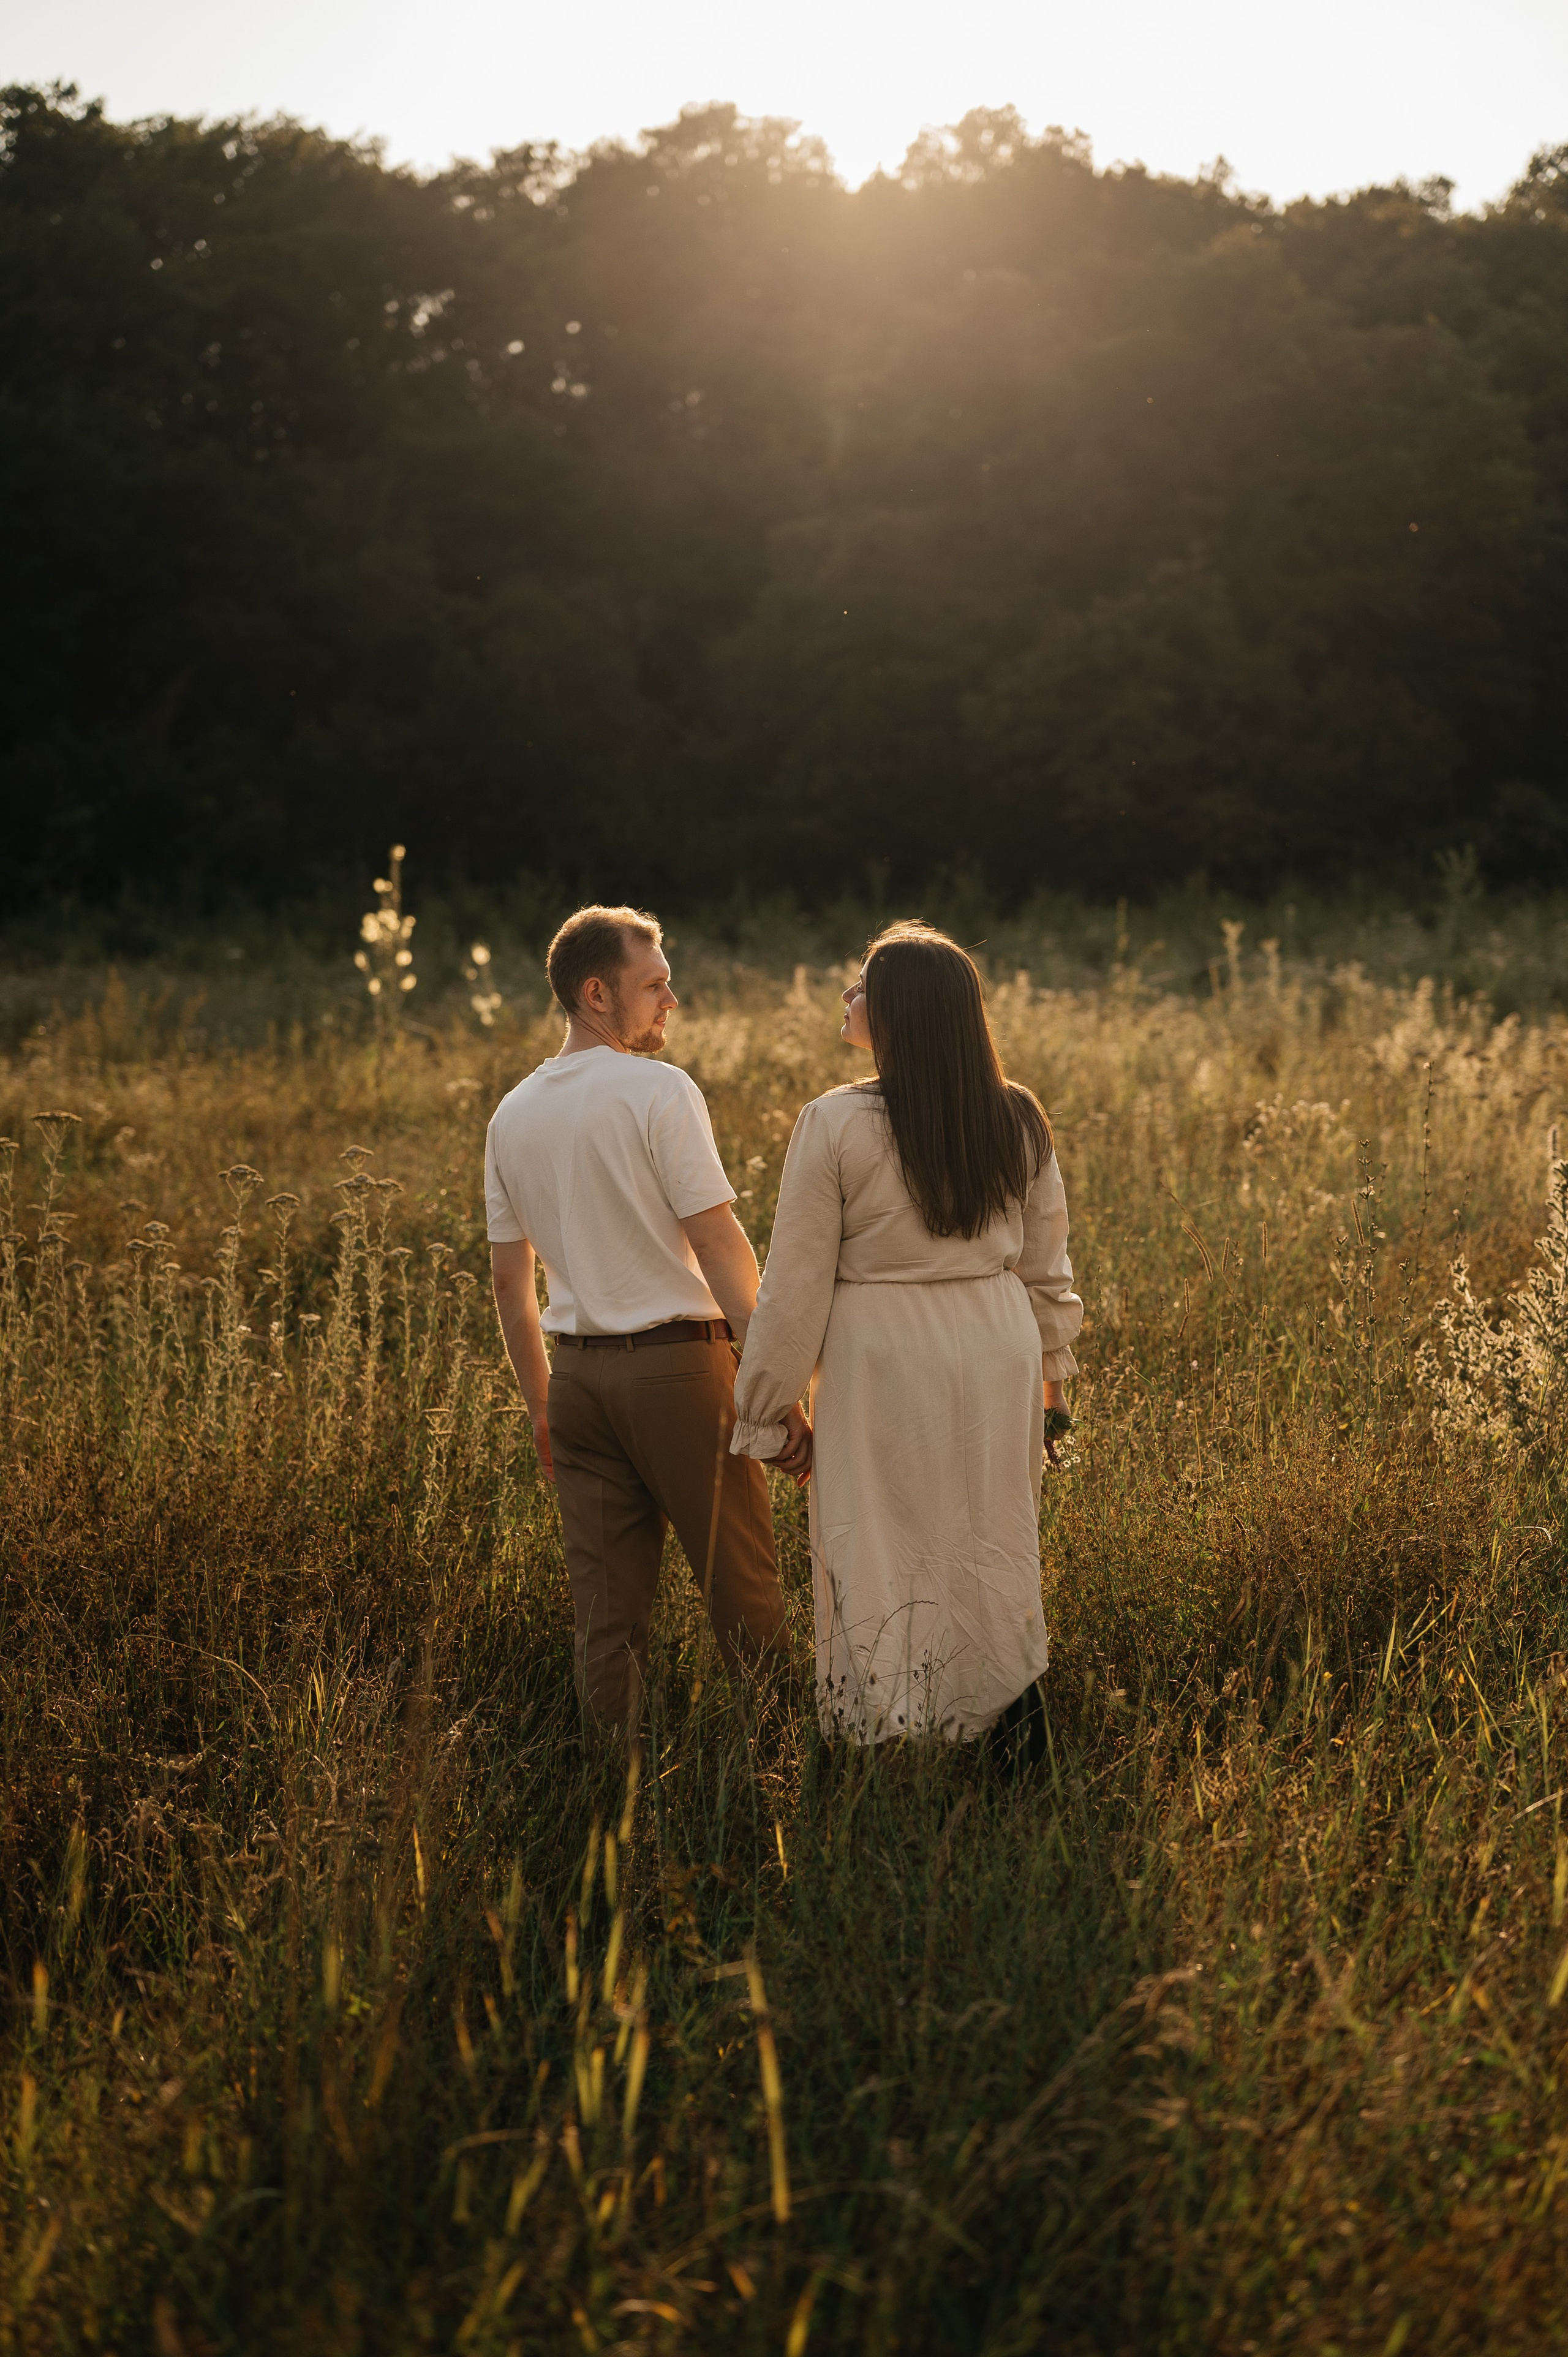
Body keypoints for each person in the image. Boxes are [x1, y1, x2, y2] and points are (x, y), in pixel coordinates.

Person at [729, 922, 1082, 1753]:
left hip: (881, 1354)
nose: (847, 997)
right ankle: (1007, 1726)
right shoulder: (1017, 1115)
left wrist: (768, 1412)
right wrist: (1053, 1391)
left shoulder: (834, 1123)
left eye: (861, 985)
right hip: (997, 1348)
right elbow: (1047, 1266)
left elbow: (795, 1285)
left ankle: (890, 1730)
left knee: (879, 1537)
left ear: (901, 1011)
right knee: (991, 1533)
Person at [486, 905, 807, 1735]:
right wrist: (774, 1376)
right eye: (654, 985)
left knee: (607, 1621)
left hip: (578, 1383)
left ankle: (614, 1805)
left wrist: (541, 1405)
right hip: (680, 1375)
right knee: (743, 1590)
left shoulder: (511, 1114)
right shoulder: (658, 1089)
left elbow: (507, 1281)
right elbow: (716, 1238)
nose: (673, 1000)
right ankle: (782, 1776)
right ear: (597, 993)